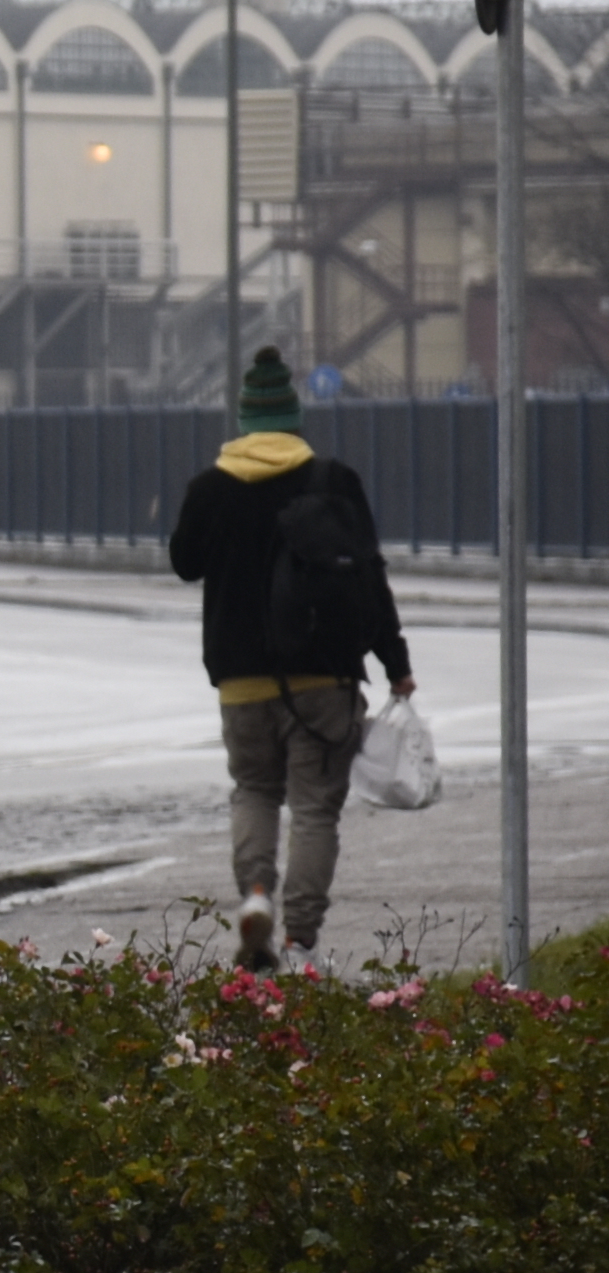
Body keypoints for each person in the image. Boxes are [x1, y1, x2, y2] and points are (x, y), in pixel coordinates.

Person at [166, 350, 415, 973]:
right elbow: (369, 578)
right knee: (314, 810)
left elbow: (183, 562)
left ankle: (256, 897)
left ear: (247, 422)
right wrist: (395, 663)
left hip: (241, 682)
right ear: (294, 419)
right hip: (324, 681)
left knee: (253, 788)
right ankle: (301, 943)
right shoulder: (333, 482)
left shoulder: (209, 488)